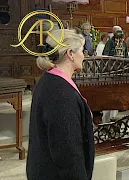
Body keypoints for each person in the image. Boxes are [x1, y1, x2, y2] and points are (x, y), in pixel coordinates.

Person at [27, 29, 95, 180]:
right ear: (70, 53)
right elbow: (69, 154)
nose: (84, 55)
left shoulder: (48, 79)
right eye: (82, 51)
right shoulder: (62, 95)